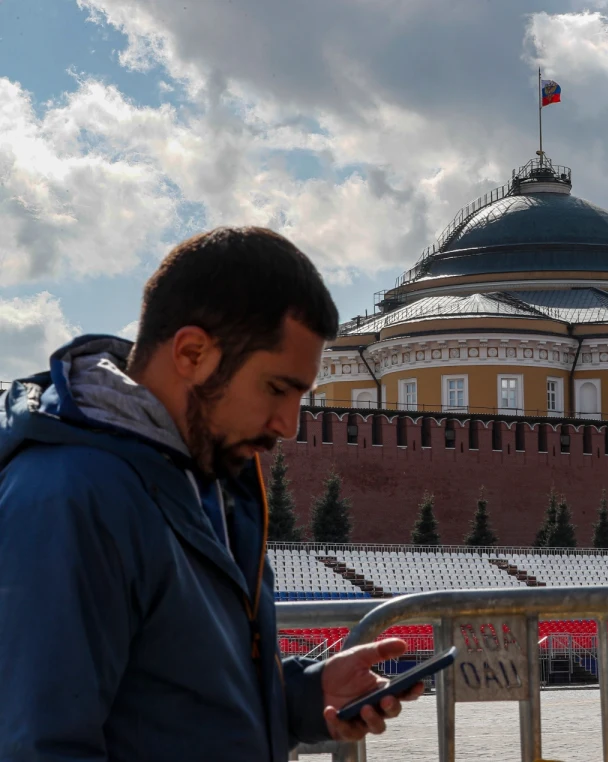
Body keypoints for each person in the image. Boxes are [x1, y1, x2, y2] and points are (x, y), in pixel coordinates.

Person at [0, 227, 422, 761]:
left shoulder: (215, 482)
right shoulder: (69, 498)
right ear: (193, 353)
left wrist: (303, 697)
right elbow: (38, 744)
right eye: (276, 388)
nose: (289, 425)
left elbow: (173, 698)